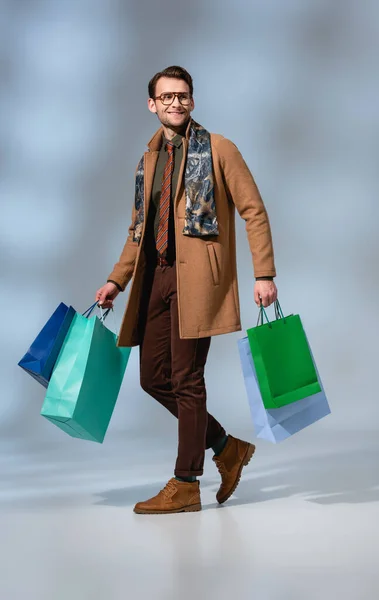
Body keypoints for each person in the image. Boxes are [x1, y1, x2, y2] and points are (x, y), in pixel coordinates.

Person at [96, 65, 277, 515]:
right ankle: (226, 447)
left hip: (199, 281)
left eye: (183, 95)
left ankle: (185, 483)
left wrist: (264, 274)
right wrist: (117, 280)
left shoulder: (219, 149)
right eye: (167, 96)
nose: (176, 102)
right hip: (155, 277)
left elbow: (254, 210)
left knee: (187, 380)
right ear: (152, 104)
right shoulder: (148, 160)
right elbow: (138, 229)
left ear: (192, 101)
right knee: (153, 378)